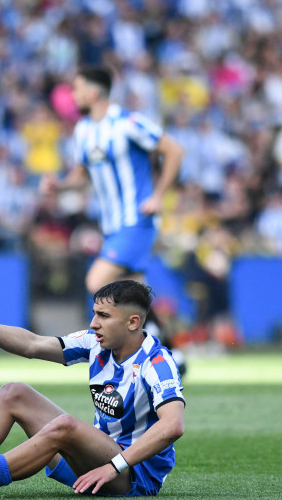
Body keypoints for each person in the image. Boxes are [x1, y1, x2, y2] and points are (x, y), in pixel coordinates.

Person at [0, 279, 184, 499]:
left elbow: (173, 426)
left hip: (131, 477)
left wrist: (114, 466)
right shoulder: (96, 343)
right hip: (91, 463)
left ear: (133, 322)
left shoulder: (156, 363)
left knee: (65, 425)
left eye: (103, 316)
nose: (94, 323)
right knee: (13, 393)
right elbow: (33, 344)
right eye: (94, 314)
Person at [41, 67, 185, 365]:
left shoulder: (127, 123)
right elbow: (83, 173)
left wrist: (158, 195)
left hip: (136, 220)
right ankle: (171, 353)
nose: (73, 96)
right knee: (138, 293)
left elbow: (174, 150)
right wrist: (61, 184)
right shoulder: (83, 130)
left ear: (93, 93)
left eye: (78, 89)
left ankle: (110, 352)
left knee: (97, 282)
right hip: (113, 226)